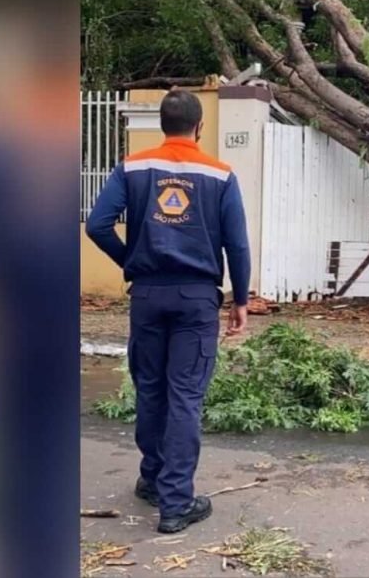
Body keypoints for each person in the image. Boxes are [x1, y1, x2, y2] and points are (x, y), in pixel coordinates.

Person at [86, 89, 250, 533]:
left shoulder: (133, 167)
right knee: (185, 396)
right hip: (196, 299)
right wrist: (240, 301)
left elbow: (97, 223)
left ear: (162, 125)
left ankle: (153, 480)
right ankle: (176, 503)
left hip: (147, 295)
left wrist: (131, 260)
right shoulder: (219, 174)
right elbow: (236, 244)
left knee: (152, 388)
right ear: (200, 127)